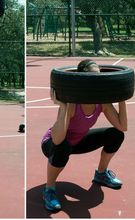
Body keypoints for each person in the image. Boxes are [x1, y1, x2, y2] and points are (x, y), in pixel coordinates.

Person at [41, 59, 127, 211]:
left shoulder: (102, 102)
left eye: (99, 76)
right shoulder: (72, 102)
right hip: (52, 143)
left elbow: (122, 126)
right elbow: (58, 139)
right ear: (83, 78)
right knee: (63, 146)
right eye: (93, 76)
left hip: (79, 141)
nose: (97, 80)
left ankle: (101, 174)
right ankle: (49, 189)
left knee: (116, 135)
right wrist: (63, 106)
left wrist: (121, 96)